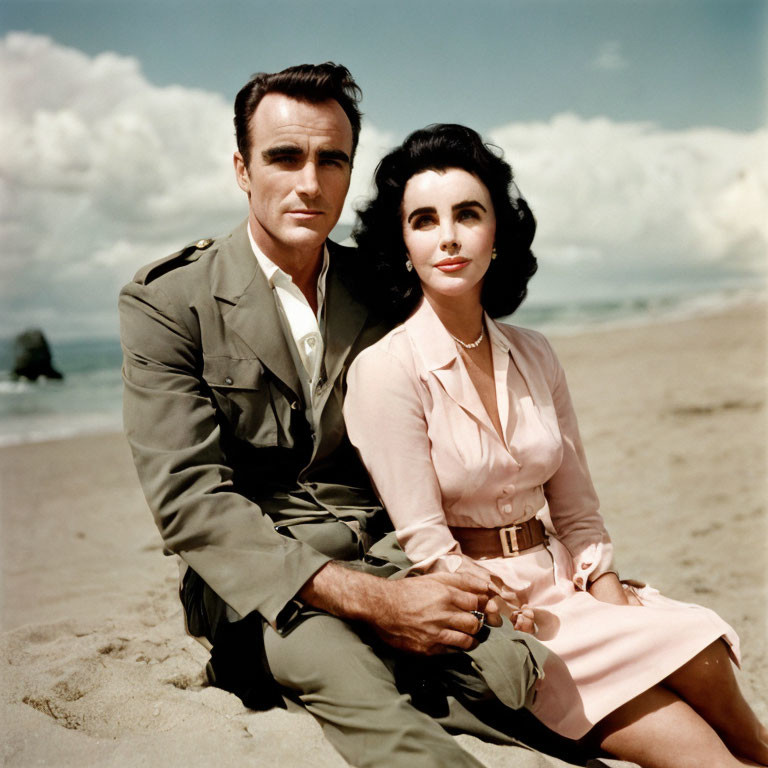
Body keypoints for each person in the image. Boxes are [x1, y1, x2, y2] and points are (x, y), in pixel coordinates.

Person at [119, 64, 554, 768]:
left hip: (389, 550)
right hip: (262, 584)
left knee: (508, 672)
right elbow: (190, 505)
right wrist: (375, 606)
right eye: (285, 157)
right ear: (241, 167)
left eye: (332, 159)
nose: (310, 182)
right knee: (357, 686)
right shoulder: (170, 303)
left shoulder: (379, 283)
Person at [343, 123, 768, 768]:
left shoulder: (536, 352)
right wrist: (493, 603)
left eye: (468, 214)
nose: (449, 236)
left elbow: (576, 509)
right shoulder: (385, 370)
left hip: (568, 582)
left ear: (496, 236)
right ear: (403, 246)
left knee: (709, 661)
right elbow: (426, 545)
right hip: (493, 614)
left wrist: (610, 596)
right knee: (707, 760)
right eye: (424, 220)